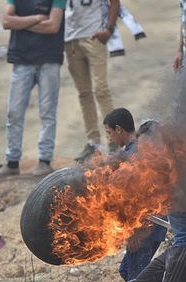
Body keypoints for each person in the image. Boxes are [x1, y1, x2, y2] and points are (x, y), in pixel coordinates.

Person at [103, 108, 167, 282]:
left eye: (109, 133)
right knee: (127, 271)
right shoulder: (138, 149)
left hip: (143, 229)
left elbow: (135, 200)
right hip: (154, 225)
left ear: (119, 129)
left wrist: (133, 232)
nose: (110, 138)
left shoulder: (132, 156)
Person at [0, 0, 66, 178]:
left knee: (47, 112)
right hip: (22, 59)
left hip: (49, 58)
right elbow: (6, 22)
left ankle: (44, 160)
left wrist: (21, 23)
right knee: (14, 113)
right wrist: (36, 19)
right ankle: (12, 162)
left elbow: (52, 27)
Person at [64, 0, 120, 162]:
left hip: (93, 36)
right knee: (84, 93)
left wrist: (109, 29)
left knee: (101, 89)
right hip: (71, 40)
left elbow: (115, 3)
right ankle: (93, 142)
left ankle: (114, 141)